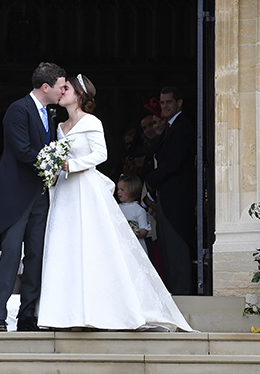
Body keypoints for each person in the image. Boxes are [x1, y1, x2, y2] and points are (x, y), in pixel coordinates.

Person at [37, 74, 193, 331]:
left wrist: (71, 164)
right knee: (65, 246)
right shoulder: (60, 127)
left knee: (91, 247)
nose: (61, 92)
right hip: (65, 191)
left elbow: (101, 154)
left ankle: (98, 310)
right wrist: (53, 171)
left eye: (66, 88)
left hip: (85, 189)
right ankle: (64, 313)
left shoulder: (92, 122)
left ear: (79, 95)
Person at [0, 62, 66, 332]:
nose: (63, 91)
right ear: (46, 87)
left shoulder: (49, 114)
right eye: (60, 87)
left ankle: (28, 315)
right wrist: (55, 164)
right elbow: (22, 150)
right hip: (16, 195)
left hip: (40, 195)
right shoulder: (18, 109)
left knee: (36, 254)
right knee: (10, 255)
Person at [144, 86, 197, 295]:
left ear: (179, 103)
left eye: (168, 102)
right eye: (162, 102)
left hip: (177, 199)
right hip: (166, 197)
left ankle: (182, 293)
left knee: (177, 247)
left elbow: (173, 162)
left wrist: (150, 181)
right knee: (168, 248)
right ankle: (174, 292)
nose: (164, 106)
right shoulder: (169, 127)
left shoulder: (182, 126)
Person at [117, 175, 151, 255]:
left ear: (132, 190)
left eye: (122, 190)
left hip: (135, 245)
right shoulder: (116, 207)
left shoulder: (138, 210)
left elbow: (144, 230)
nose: (118, 192)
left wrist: (132, 232)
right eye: (118, 189)